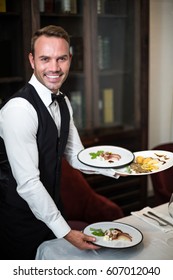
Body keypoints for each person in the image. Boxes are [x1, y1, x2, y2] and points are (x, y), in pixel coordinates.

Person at [0, 25, 118, 260]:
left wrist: (117, 167)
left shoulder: (63, 101)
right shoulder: (18, 110)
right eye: (45, 59)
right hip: (18, 222)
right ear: (32, 60)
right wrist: (66, 232)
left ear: (70, 59)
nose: (54, 68)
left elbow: (76, 155)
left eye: (61, 58)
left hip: (53, 213)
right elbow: (29, 184)